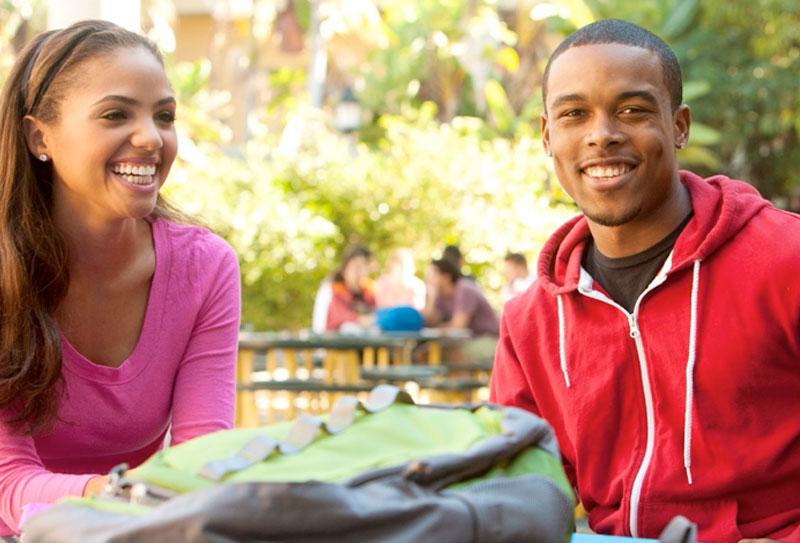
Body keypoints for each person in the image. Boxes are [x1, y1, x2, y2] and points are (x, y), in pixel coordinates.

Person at [490, 18, 800, 542]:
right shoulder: (530, 323)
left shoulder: (785, 261)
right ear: (548, 135)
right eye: (574, 114)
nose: (601, 134)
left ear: (678, 125)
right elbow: (513, 486)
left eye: (632, 110)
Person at [0, 20, 241, 536]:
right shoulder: (5, 273)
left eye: (165, 116)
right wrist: (126, 493)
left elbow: (202, 461)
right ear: (38, 137)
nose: (151, 138)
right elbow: (7, 485)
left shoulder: (205, 269)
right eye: (115, 114)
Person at [423, 258, 498, 362]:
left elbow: (458, 326)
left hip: (488, 339)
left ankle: (461, 378)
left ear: (446, 277)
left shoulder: (464, 288)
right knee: (424, 353)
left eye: (432, 275)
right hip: (467, 340)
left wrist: (439, 328)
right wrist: (431, 297)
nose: (428, 278)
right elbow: (428, 322)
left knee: (454, 354)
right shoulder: (439, 295)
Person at [325, 244, 376, 331]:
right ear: (345, 268)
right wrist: (360, 320)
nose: (360, 273)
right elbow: (337, 319)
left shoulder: (368, 292)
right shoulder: (332, 289)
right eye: (356, 267)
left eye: (364, 268)